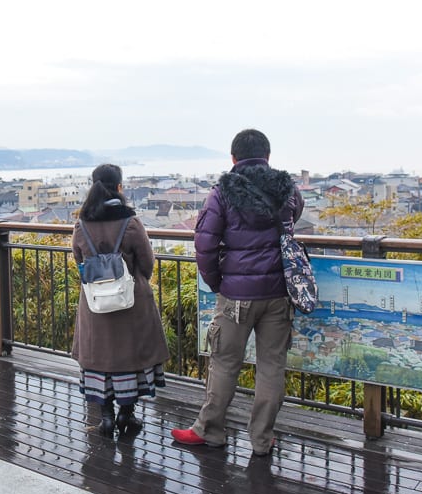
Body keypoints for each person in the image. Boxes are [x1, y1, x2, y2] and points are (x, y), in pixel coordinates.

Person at [171, 129, 304, 456]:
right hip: (279, 291)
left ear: (233, 158)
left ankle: (210, 431)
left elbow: (204, 243)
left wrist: (219, 281)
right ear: (267, 157)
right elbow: (294, 216)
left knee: (225, 362)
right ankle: (261, 440)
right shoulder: (287, 188)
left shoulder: (222, 193)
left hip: (236, 295)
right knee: (272, 365)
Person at [71, 164, 169, 437]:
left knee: (99, 358)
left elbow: (79, 261)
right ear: (119, 187)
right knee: (131, 356)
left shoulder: (82, 225)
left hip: (95, 304)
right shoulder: (130, 222)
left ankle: (106, 417)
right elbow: (147, 263)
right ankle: (128, 414)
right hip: (131, 302)